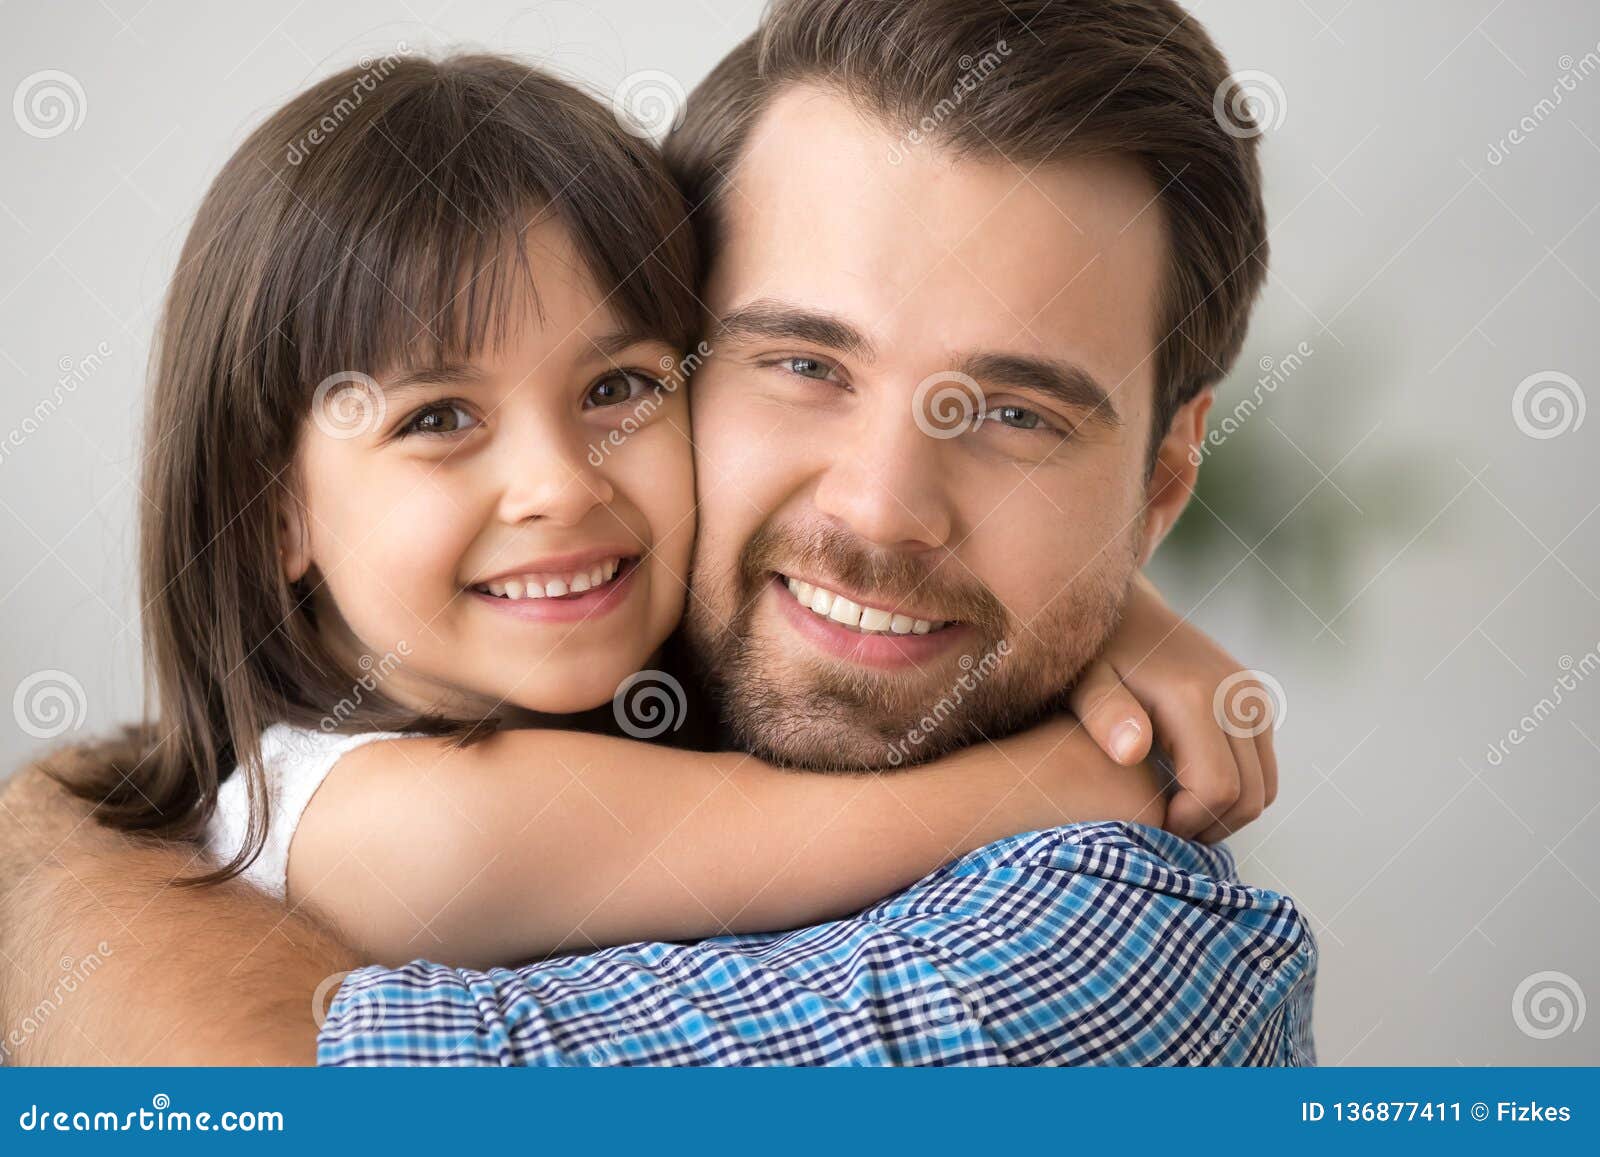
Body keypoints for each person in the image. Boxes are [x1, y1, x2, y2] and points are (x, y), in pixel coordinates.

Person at [0, 0, 1314, 1066]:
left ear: (1159, 484)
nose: (875, 508)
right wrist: (1100, 756)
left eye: (1020, 415)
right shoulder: (413, 813)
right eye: (802, 362)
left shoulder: (1112, 957)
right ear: (273, 507)